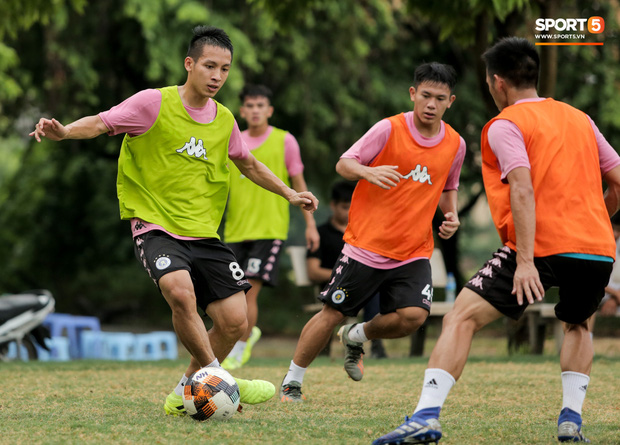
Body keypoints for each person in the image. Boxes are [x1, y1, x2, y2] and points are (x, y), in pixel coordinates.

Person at [29, 26, 318, 416]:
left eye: (225, 69)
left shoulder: (224, 119)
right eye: (210, 66)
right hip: (155, 226)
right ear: (190, 64)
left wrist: (289, 193)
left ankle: (186, 389)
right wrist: (64, 132)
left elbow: (246, 162)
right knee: (181, 293)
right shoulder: (153, 103)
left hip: (203, 231)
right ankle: (222, 380)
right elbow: (101, 122)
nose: (217, 76)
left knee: (236, 321)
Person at [374, 37, 620, 445]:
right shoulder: (580, 118)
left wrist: (525, 261)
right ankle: (570, 421)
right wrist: (593, 220)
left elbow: (521, 189)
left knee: (461, 318)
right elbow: (617, 181)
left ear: (498, 82)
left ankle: (425, 416)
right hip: (595, 248)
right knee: (579, 324)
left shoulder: (505, 125)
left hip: (538, 247)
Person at [279, 62, 465, 402]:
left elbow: (447, 187)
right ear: (413, 94)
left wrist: (450, 216)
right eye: (425, 95)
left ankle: (357, 335)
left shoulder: (455, 144)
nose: (430, 104)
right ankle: (292, 381)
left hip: (413, 251)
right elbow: (343, 163)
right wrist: (368, 172)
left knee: (413, 317)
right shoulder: (389, 129)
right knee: (332, 313)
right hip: (366, 247)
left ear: (450, 101)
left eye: (439, 98)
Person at [220, 84, 320, 370]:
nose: (254, 110)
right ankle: (242, 336)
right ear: (242, 110)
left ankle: (241, 344)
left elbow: (299, 185)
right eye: (249, 106)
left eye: (260, 105)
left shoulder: (285, 141)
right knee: (231, 293)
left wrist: (310, 225)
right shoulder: (231, 140)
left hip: (269, 230)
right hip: (235, 231)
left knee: (249, 290)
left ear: (269, 110)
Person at [306, 180, 388, 358]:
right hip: (333, 288)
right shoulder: (319, 234)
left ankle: (376, 347)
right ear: (333, 205)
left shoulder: (364, 233)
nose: (350, 211)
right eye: (344, 206)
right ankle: (322, 349)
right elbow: (313, 271)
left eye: (354, 205)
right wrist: (348, 276)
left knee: (375, 292)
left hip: (363, 288)